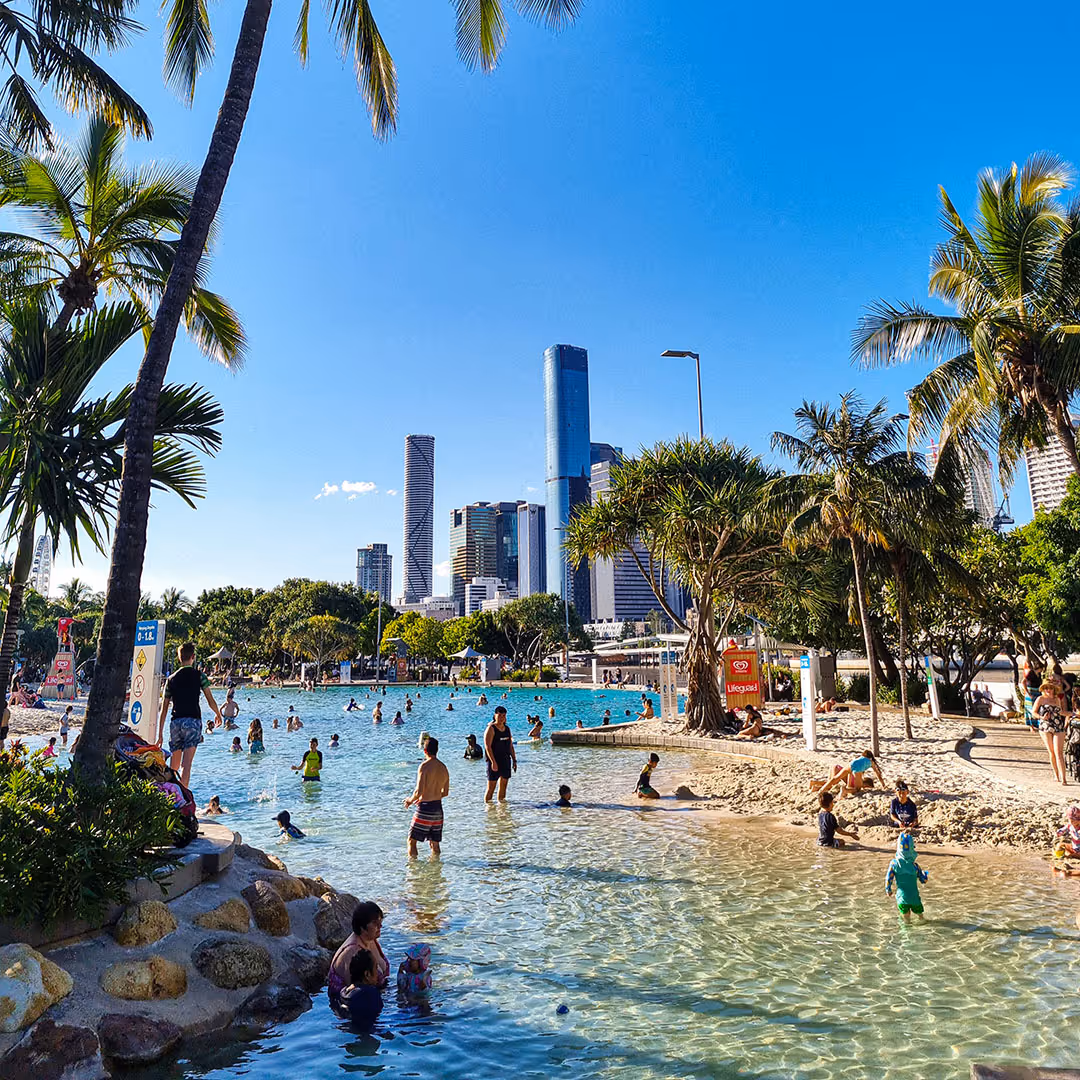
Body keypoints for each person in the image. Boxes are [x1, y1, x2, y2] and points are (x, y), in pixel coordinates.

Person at [157, 642, 221, 788]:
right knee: (186, 764)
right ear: (193, 657)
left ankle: (170, 797)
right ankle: (183, 798)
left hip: (175, 723)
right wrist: (218, 714)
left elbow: (164, 708)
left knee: (174, 765)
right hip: (192, 721)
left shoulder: (171, 679)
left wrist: (160, 733)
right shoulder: (199, 676)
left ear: (179, 658)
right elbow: (210, 700)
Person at [328, 901, 390, 1009]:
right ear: (362, 927)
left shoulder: (370, 939)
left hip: (376, 995)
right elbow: (354, 993)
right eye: (375, 923)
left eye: (381, 921)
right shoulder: (352, 952)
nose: (380, 926)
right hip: (352, 1007)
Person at [404, 737, 450, 857]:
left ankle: (413, 871)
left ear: (425, 751)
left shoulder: (424, 766)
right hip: (438, 810)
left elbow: (418, 791)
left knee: (411, 841)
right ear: (437, 750)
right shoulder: (443, 767)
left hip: (425, 809)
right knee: (434, 844)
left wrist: (409, 800)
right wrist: (432, 795)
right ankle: (436, 870)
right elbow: (445, 792)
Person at [1033, 679, 1072, 785]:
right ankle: (1056, 775)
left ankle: (1063, 778)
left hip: (1058, 726)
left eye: (1050, 688)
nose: (1048, 690)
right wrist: (1041, 717)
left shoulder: (1056, 699)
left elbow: (1061, 712)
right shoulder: (1040, 699)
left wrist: (1073, 714)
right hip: (1045, 726)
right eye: (1046, 688)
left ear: (1053, 689)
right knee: (1052, 752)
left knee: (1059, 752)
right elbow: (1034, 713)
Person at [885, 832, 929, 921]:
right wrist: (925, 874)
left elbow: (888, 878)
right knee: (921, 917)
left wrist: (888, 890)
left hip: (902, 898)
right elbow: (924, 880)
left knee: (905, 919)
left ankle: (904, 933)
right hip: (914, 898)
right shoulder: (915, 866)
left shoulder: (894, 864)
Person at [337, 950, 382, 1028]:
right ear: (367, 974)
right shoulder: (370, 993)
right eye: (376, 967)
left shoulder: (343, 991)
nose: (378, 972)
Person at [484, 706, 517, 802]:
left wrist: (514, 760)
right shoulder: (491, 728)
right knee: (491, 788)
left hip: (505, 760)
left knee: (503, 786)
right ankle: (489, 810)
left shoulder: (507, 729)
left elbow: (510, 746)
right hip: (494, 761)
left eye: (504, 715)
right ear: (495, 715)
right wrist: (493, 762)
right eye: (500, 715)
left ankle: (502, 810)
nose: (502, 717)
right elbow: (487, 747)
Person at [820, 750, 884, 796]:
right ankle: (845, 790)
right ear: (870, 757)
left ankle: (821, 790)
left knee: (835, 778)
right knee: (857, 789)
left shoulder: (860, 758)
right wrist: (883, 784)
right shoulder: (871, 762)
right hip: (858, 768)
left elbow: (851, 772)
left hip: (851, 764)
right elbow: (878, 774)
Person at [1023, 657, 1045, 729]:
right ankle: (1031, 726)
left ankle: (1037, 724)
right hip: (1031, 692)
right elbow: (1023, 682)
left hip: (1037, 692)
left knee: (1037, 707)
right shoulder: (1031, 673)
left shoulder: (1039, 675)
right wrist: (1028, 693)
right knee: (1030, 708)